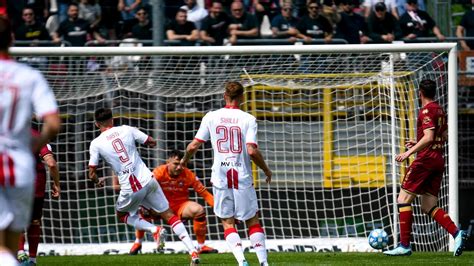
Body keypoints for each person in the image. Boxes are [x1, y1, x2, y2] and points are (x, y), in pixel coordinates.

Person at [88, 108, 200, 264]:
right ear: (112, 120)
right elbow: (151, 141)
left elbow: (92, 172)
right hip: (148, 180)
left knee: (122, 215)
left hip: (130, 188)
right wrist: (144, 146)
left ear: (96, 124)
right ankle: (193, 252)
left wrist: (96, 180)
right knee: (170, 215)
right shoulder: (127, 129)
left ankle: (155, 230)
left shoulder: (96, 143)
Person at [181, 81, 272, 266]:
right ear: (242, 97)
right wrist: (266, 170)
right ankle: (263, 263)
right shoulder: (248, 118)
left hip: (221, 176)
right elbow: (252, 151)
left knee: (227, 222)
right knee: (252, 220)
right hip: (241, 175)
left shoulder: (211, 116)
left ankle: (242, 262)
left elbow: (193, 145)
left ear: (224, 96)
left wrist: (185, 160)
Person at [0, 16, 61, 266]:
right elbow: (54, 123)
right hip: (22, 167)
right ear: (12, 39)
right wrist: (35, 145)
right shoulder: (29, 75)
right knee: (10, 248)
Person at [383, 79, 468, 256]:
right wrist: (418, 142)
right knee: (428, 205)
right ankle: (457, 233)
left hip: (426, 160)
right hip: (438, 159)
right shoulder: (440, 109)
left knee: (403, 199)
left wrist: (409, 153)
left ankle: (404, 245)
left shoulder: (426, 110)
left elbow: (429, 137)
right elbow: (442, 136)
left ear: (420, 92)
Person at [129, 150, 217, 255]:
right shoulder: (158, 173)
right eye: (176, 164)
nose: (179, 167)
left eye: (182, 164)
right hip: (160, 208)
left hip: (180, 207)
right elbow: (145, 190)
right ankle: (138, 242)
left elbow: (204, 193)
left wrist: (219, 208)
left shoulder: (188, 174)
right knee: (143, 210)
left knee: (198, 210)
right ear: (168, 162)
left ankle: (201, 246)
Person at [17, 129, 61, 266]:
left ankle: (19, 252)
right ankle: (32, 260)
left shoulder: (6, 135)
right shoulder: (38, 136)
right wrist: (57, 184)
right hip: (36, 185)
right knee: (35, 221)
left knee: (13, 219)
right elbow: (51, 163)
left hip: (14, 183)